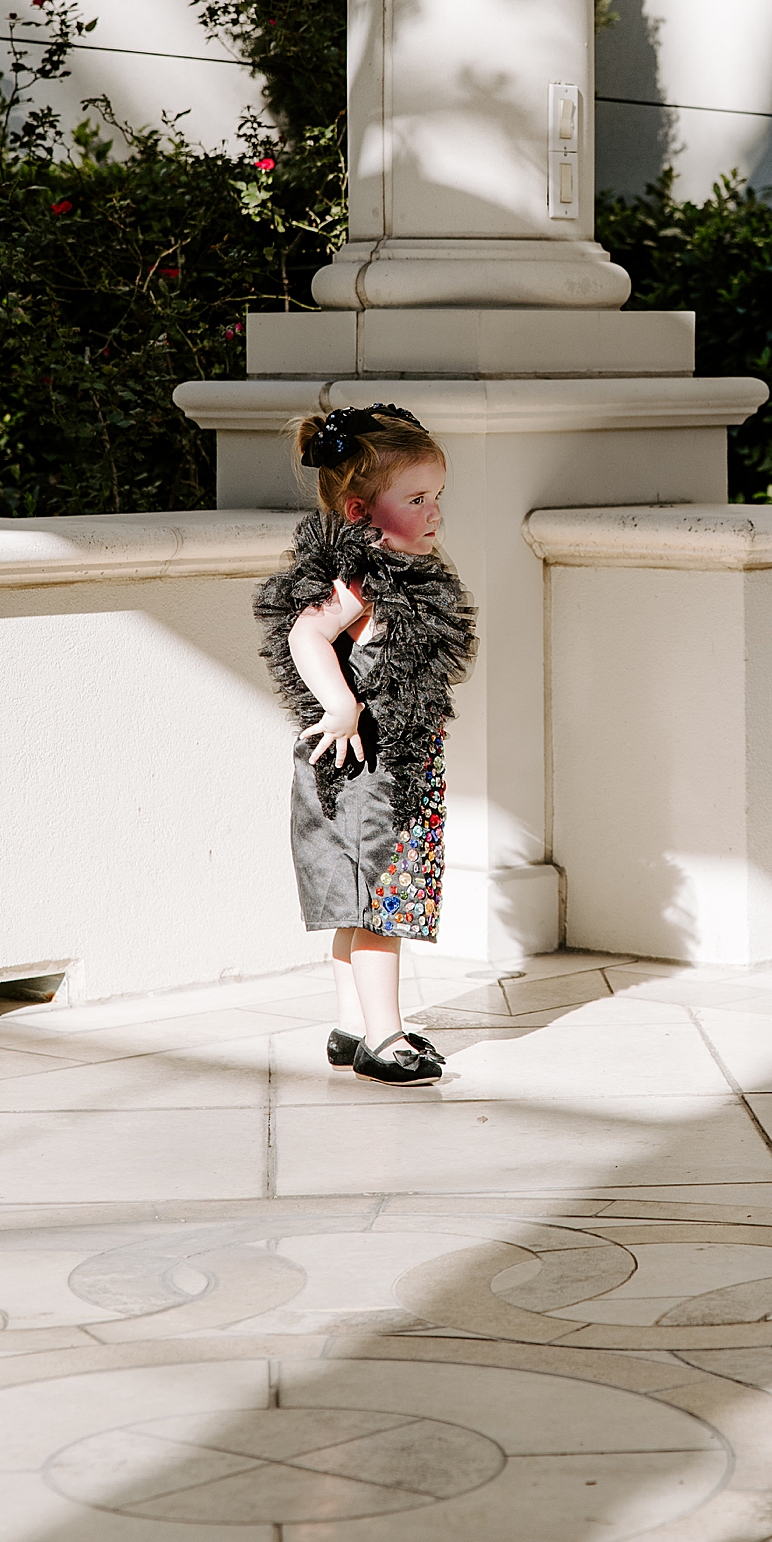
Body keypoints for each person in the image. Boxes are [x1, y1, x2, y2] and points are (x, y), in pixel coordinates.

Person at [254, 404, 477, 1087]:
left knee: (362, 901)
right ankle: (385, 1037)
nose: (434, 512)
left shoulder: (403, 573)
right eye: (416, 499)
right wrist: (341, 704)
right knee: (381, 901)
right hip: (367, 771)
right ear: (360, 511)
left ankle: (351, 1024)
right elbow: (305, 634)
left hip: (396, 764)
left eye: (437, 495)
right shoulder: (362, 577)